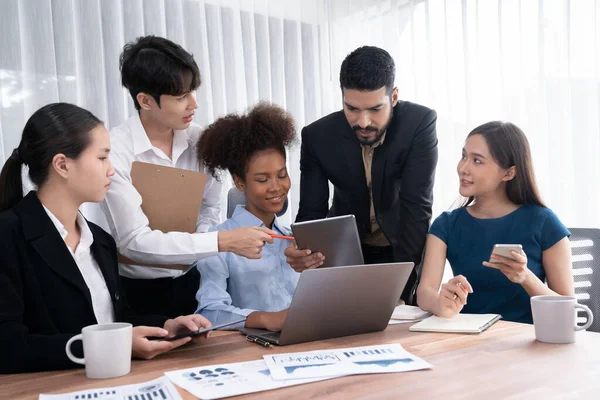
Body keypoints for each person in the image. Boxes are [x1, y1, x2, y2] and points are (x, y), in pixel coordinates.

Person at [0, 103, 212, 374]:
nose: (111, 170)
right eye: (102, 158)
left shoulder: (100, 240)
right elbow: (8, 347)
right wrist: (115, 345)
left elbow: (114, 319)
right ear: (62, 165)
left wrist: (167, 326)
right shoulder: (8, 236)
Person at [101, 36, 274, 318]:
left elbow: (208, 209)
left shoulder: (201, 140)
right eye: (181, 97)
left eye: (193, 91)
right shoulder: (114, 150)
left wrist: (207, 239)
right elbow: (132, 241)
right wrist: (222, 242)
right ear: (145, 100)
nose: (193, 104)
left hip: (195, 282)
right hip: (136, 292)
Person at [285, 46, 438, 304]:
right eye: (352, 109)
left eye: (375, 109)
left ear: (394, 97)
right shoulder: (317, 137)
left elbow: (417, 210)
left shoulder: (419, 124)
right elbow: (311, 213)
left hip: (402, 246)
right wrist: (300, 248)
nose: (363, 122)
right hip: (346, 251)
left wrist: (400, 290)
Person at [416, 121, 573, 324]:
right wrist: (441, 303)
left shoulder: (544, 223)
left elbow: (567, 308)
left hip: (528, 344)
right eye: (464, 156)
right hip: (469, 341)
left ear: (508, 173)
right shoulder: (446, 224)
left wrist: (525, 277)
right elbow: (425, 293)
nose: (463, 168)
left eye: (477, 161)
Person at [195, 103, 299, 332]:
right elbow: (209, 311)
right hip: (253, 348)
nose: (276, 187)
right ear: (239, 182)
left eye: (282, 175)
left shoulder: (295, 239)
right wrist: (264, 319)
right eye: (263, 179)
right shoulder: (217, 240)